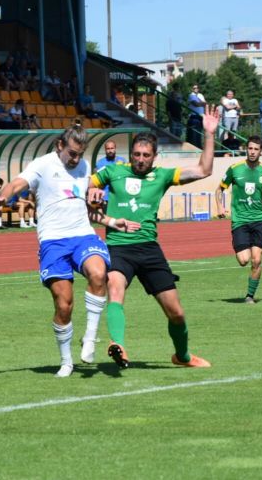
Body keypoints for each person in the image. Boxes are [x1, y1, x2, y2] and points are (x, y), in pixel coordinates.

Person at [0, 125, 140, 377]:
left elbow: (84, 208)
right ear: (60, 145)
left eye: (80, 154)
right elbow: (16, 184)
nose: (76, 159)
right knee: (64, 305)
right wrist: (2, 198)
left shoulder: (82, 168)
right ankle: (66, 361)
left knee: (98, 272)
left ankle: (90, 338)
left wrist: (112, 222)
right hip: (53, 241)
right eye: (72, 153)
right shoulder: (43, 164)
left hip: (82, 235)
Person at [89, 112, 220, 369]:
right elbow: (80, 185)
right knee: (114, 288)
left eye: (145, 155)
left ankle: (182, 356)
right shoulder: (112, 171)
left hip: (149, 250)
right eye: (136, 154)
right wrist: (90, 190)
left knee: (177, 313)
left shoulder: (162, 176)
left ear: (154, 156)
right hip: (118, 246)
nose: (140, 159)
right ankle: (118, 344)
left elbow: (205, 169)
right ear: (131, 154)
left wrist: (210, 134)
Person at [216, 135, 262, 304]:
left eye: (256, 149)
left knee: (257, 259)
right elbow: (219, 190)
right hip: (240, 220)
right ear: (246, 149)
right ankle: (244, 256)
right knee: (243, 260)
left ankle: (250, 296)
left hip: (259, 220)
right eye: (250, 148)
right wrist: (220, 207)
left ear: (261, 151)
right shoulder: (235, 169)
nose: (252, 152)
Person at [94, 140, 127, 208]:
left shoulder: (122, 161)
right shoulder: (100, 163)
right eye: (108, 149)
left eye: (112, 148)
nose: (110, 151)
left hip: (119, 197)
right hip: (105, 198)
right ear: (105, 150)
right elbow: (97, 181)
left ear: (115, 149)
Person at [186, 84, 207, 148]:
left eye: (197, 88)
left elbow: (205, 103)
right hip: (194, 116)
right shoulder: (191, 95)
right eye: (194, 88)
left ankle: (199, 146)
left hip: (201, 116)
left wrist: (200, 103)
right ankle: (194, 146)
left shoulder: (201, 95)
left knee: (199, 133)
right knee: (194, 133)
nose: (196, 89)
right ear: (192, 89)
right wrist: (201, 103)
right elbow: (196, 104)